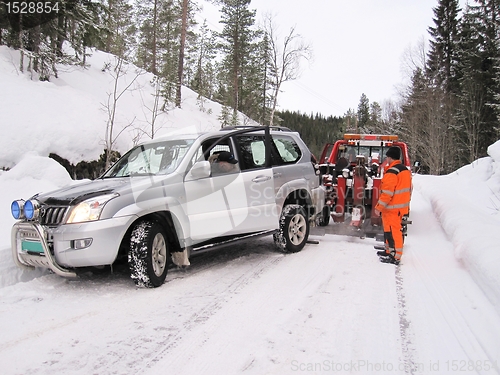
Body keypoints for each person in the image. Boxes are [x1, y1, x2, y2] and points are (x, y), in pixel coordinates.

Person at [374, 146, 412, 265]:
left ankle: (395, 256)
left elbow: (387, 193)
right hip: (399, 208)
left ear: (389, 157)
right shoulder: (404, 170)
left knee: (393, 231)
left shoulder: (392, 172)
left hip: (392, 208)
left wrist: (378, 207)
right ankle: (389, 251)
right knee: (389, 230)